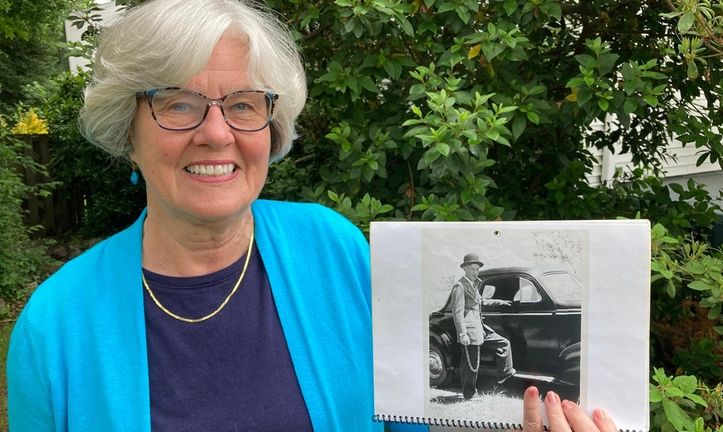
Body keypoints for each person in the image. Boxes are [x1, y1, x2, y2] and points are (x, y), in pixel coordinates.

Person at [5, 0, 616, 431]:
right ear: (127, 132)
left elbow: (415, 423)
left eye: (243, 105)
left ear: (270, 130)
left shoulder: (336, 250)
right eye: (178, 103)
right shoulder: (55, 327)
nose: (216, 133)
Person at [450, 253, 515, 400]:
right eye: (472, 269)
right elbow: (457, 313)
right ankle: (470, 394)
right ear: (465, 269)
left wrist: (501, 302)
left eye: (477, 269)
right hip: (469, 332)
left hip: (480, 328)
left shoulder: (473, 285)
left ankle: (504, 373)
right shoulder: (459, 287)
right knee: (471, 365)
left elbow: (482, 301)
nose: (475, 272)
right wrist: (462, 334)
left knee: (504, 343)